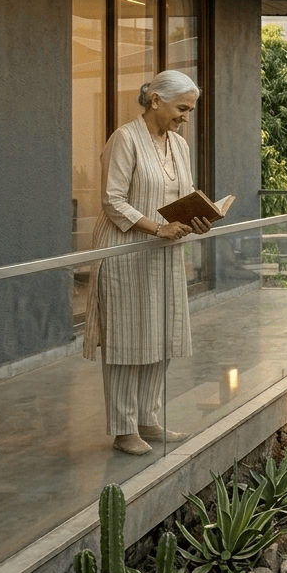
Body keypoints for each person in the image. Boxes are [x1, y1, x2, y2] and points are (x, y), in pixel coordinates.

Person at [82, 70, 212, 456]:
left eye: (190, 110)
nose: (185, 116)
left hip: (166, 252)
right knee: (127, 338)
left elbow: (184, 196)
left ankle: (148, 418)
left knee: (163, 334)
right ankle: (123, 429)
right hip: (127, 252)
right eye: (182, 108)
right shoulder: (125, 138)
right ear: (156, 100)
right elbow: (112, 200)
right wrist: (157, 228)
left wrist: (198, 218)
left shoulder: (179, 145)